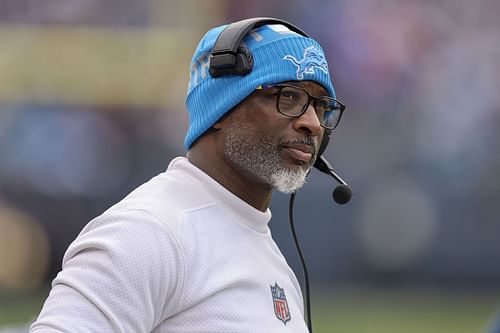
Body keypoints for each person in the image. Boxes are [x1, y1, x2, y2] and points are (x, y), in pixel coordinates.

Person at [30, 17, 346, 333]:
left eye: (321, 105)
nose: (314, 123)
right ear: (223, 108)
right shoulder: (147, 231)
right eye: (289, 96)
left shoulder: (267, 252)